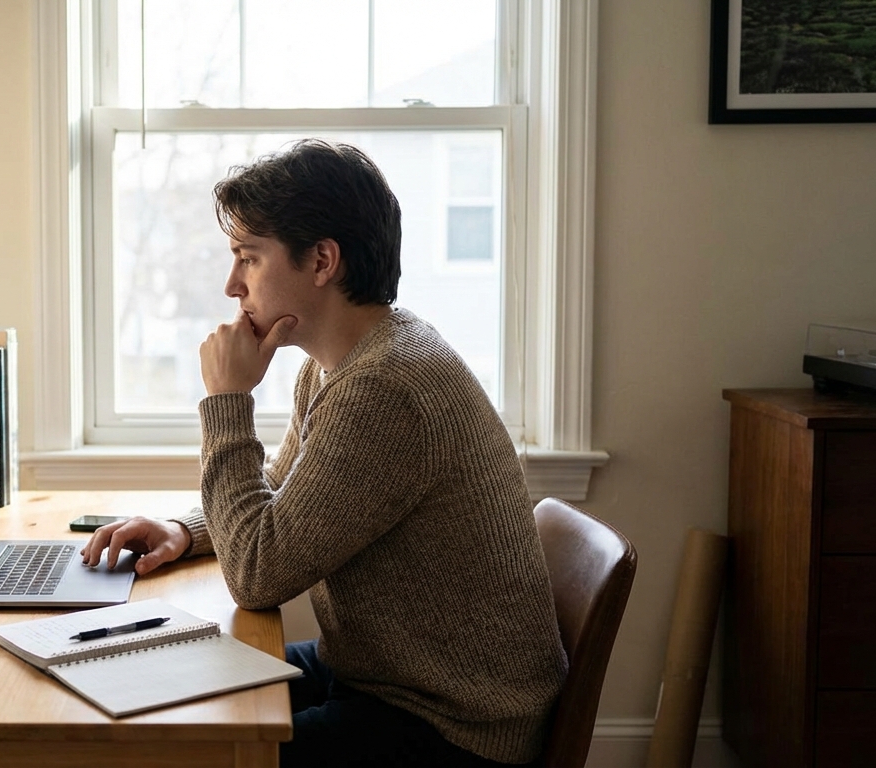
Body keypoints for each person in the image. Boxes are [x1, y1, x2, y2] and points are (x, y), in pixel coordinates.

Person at [81, 139, 567, 767]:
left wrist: (227, 401)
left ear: (321, 262)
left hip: (451, 725)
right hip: (383, 678)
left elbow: (259, 576)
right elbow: (286, 500)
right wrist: (184, 530)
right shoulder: (345, 362)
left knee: (193, 748)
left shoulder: (386, 387)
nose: (233, 285)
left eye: (248, 258)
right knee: (164, 692)